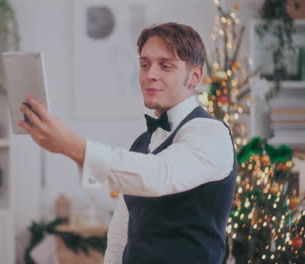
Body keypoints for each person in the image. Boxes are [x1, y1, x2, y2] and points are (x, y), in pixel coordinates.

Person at [19, 22, 236, 264]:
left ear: (194, 75)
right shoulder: (142, 142)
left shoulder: (211, 133)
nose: (150, 74)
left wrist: (71, 145)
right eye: (145, 65)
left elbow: (159, 175)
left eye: (166, 66)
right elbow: (121, 231)